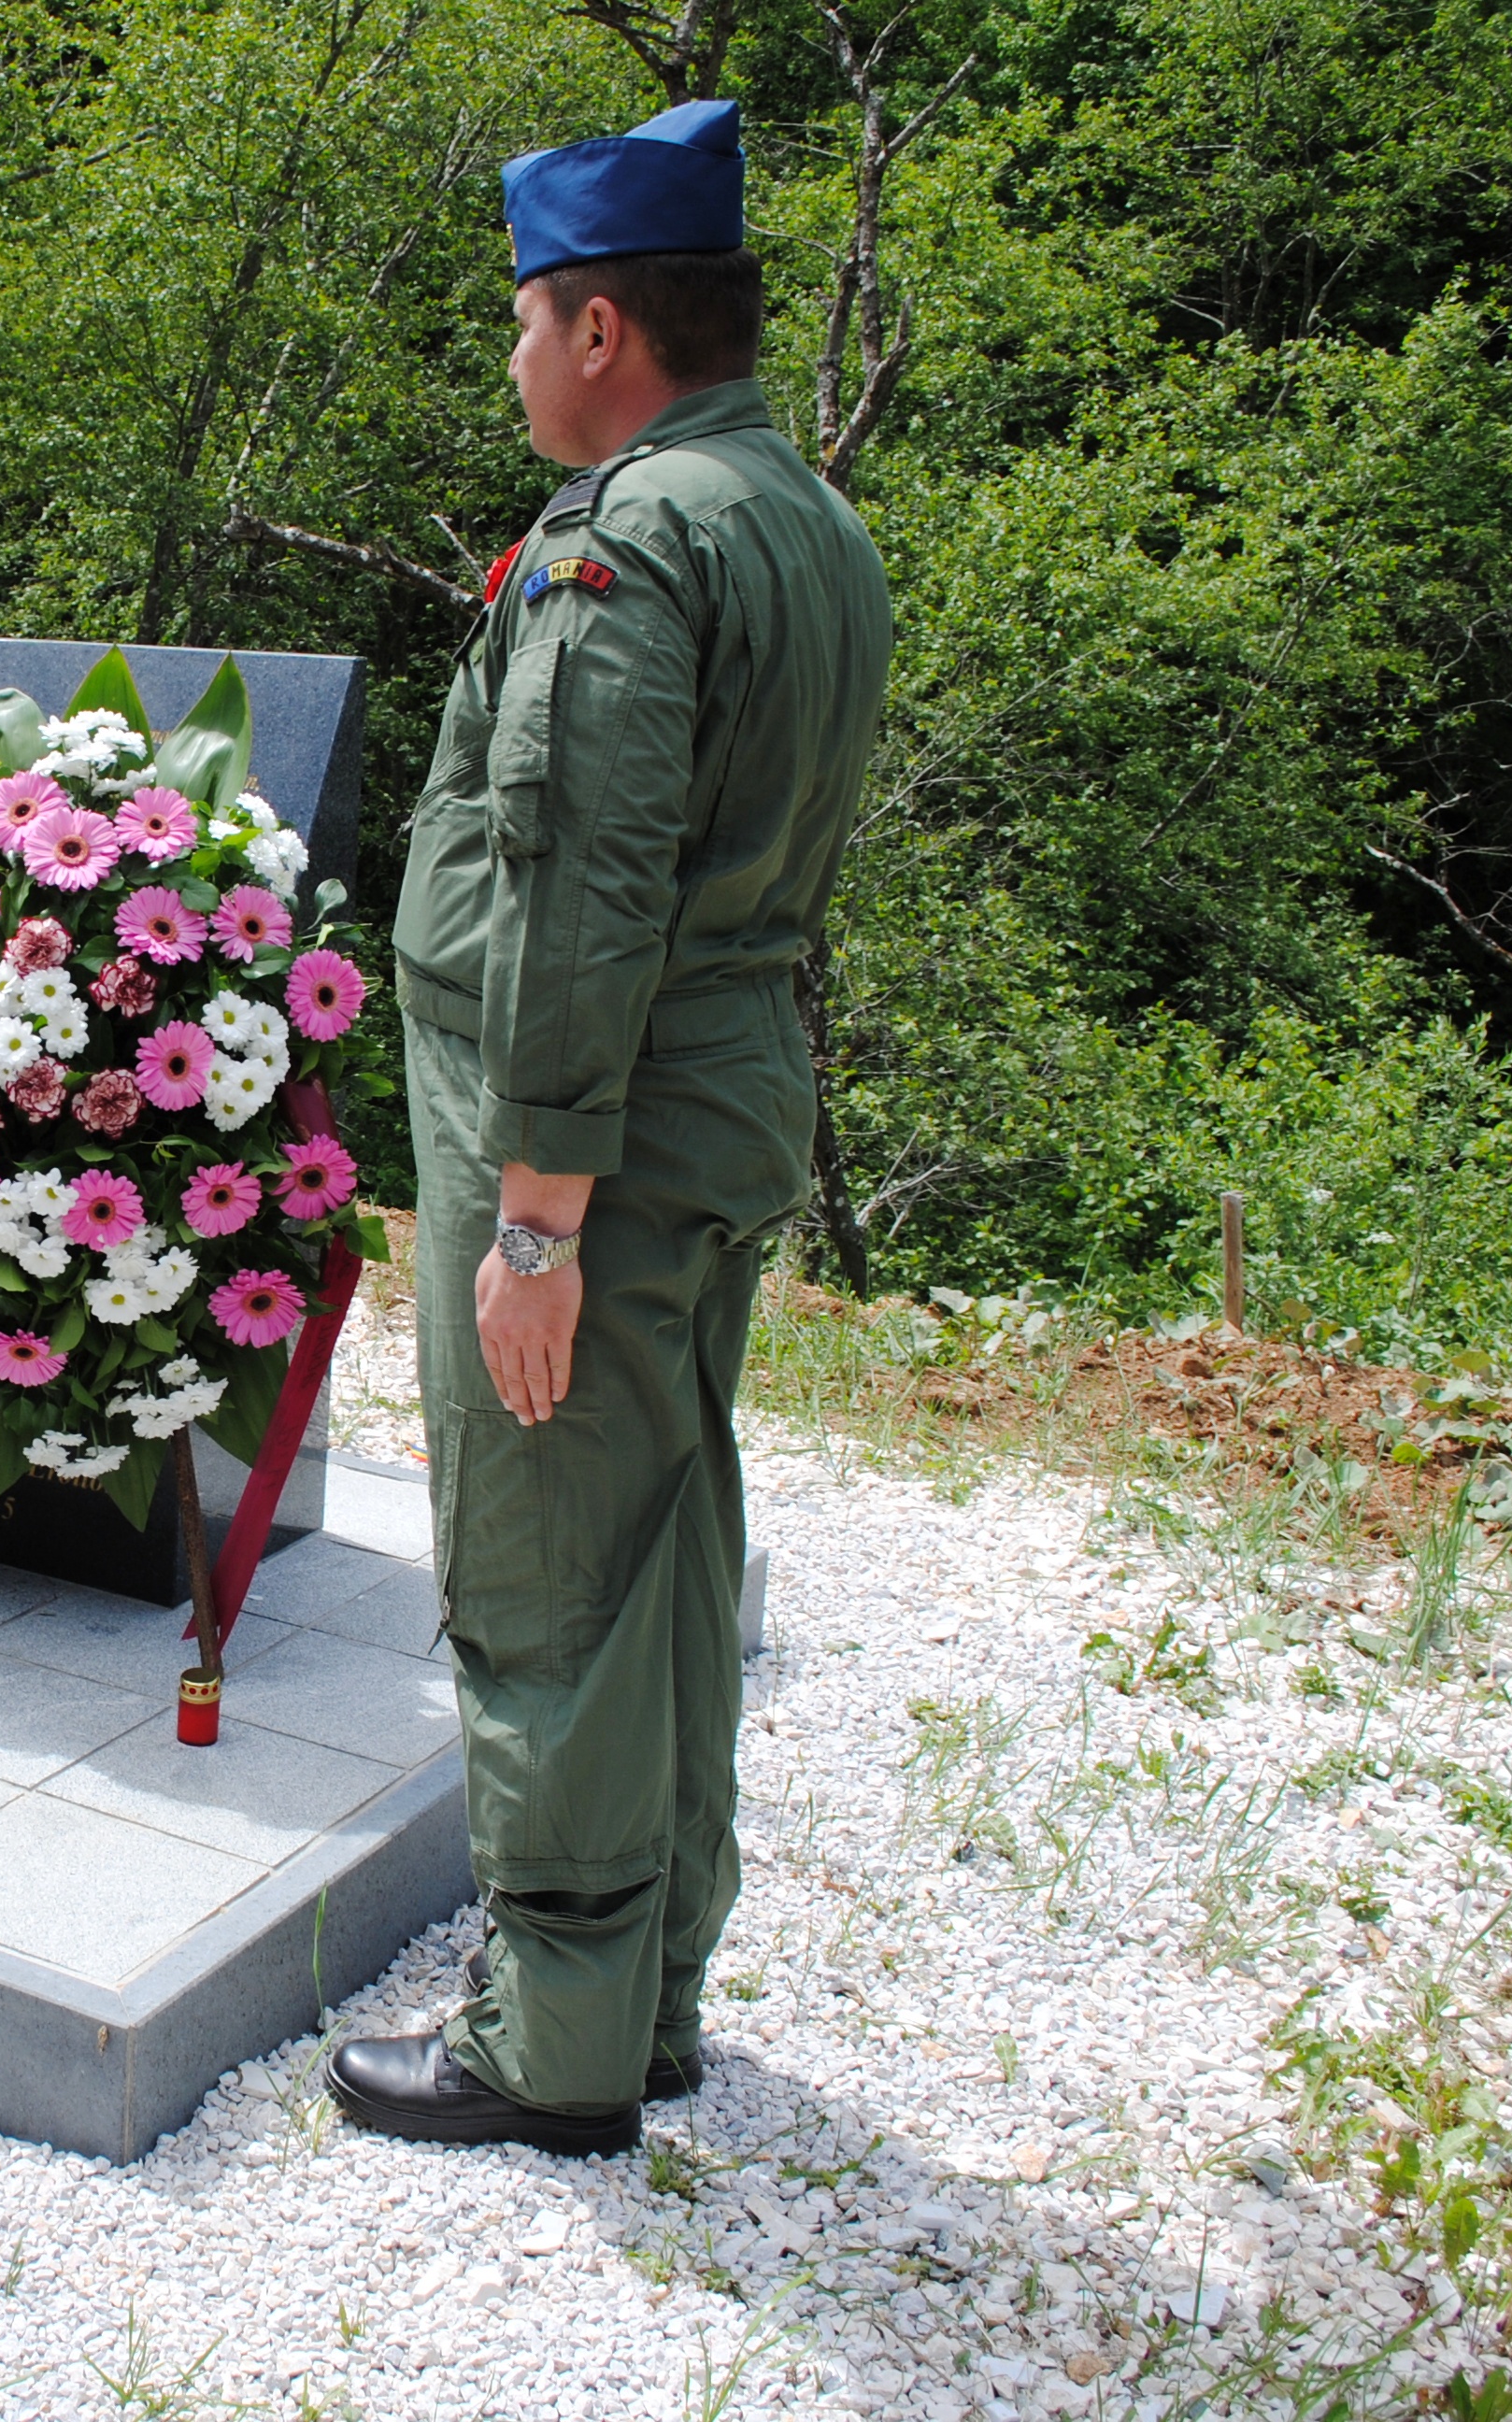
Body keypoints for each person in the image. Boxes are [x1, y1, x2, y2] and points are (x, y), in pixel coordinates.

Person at [323, 101, 895, 2156]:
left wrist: (537, 1215)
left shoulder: (624, 541)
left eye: (514, 323)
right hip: (716, 1103)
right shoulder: (796, 513)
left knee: (547, 1564)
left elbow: (579, 883)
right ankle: (642, 1989)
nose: (504, 362)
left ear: (591, 328)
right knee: (664, 1549)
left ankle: (549, 2045)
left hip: (598, 1134)